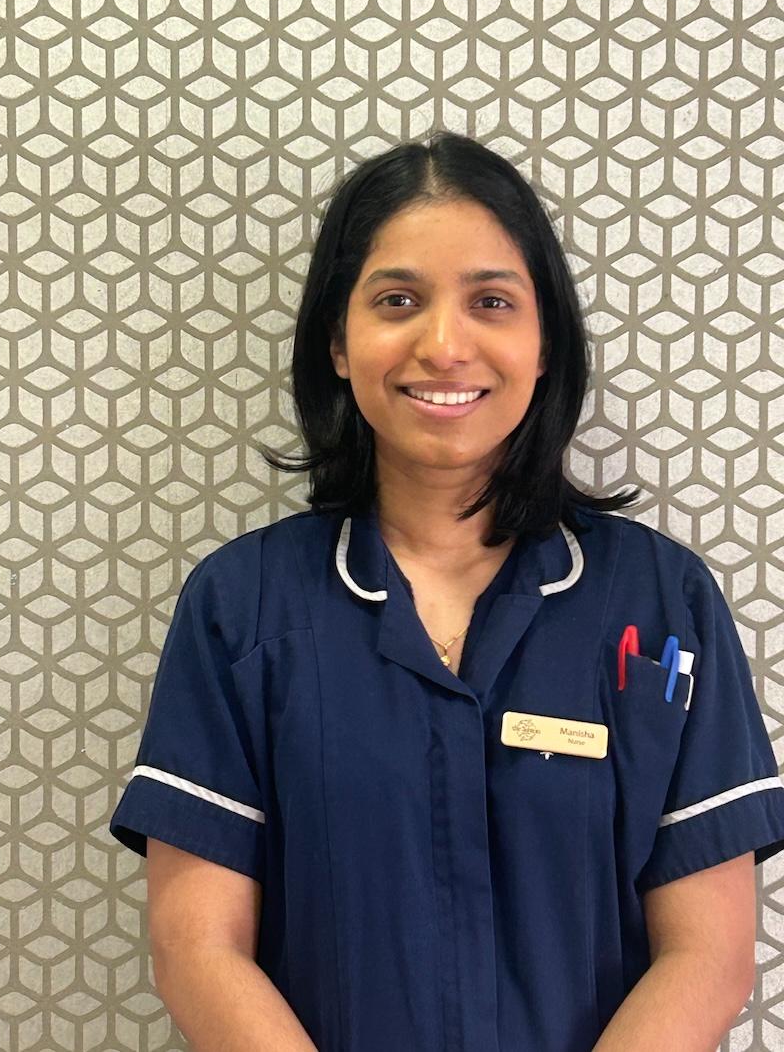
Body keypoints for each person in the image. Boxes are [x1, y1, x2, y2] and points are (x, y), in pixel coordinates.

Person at [109, 129, 784, 1052]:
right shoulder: (242, 607)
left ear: (544, 342)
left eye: (491, 301)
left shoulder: (662, 604)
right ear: (339, 344)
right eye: (397, 300)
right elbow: (198, 947)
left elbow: (708, 954)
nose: (443, 344)